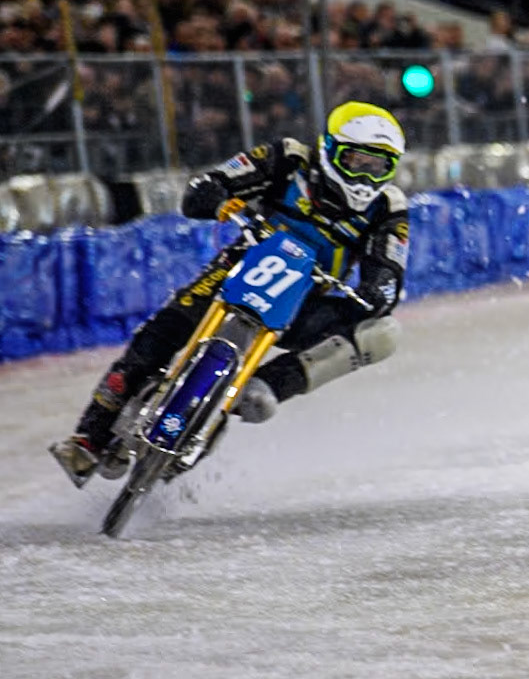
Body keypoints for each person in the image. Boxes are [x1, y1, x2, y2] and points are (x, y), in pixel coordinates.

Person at [51, 102, 410, 486]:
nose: (364, 175)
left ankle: (271, 384)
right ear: (328, 149)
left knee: (384, 332)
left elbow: (390, 270)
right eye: (356, 160)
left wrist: (377, 291)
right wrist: (215, 195)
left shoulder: (389, 207)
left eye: (378, 166)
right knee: (155, 340)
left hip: (306, 300)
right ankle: (88, 439)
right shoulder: (287, 158)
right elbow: (209, 185)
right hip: (238, 268)